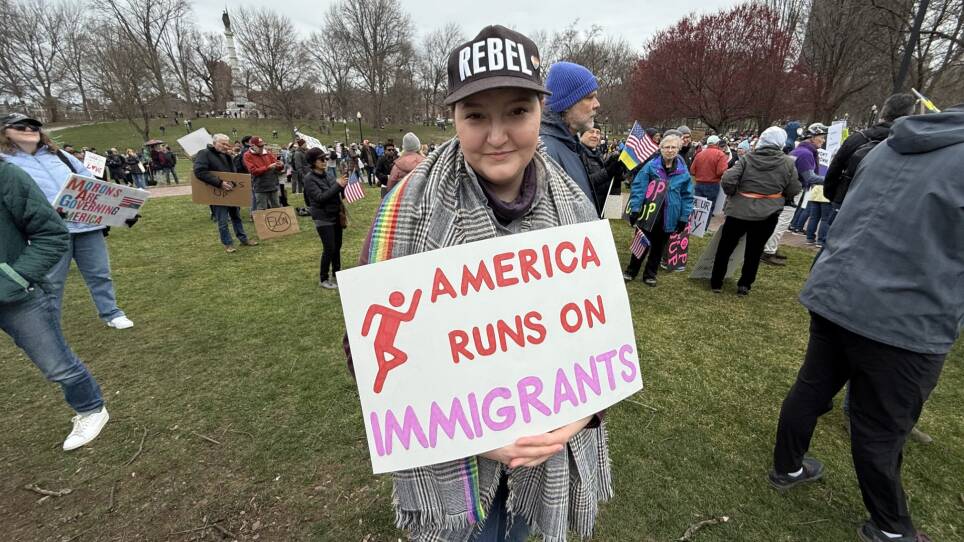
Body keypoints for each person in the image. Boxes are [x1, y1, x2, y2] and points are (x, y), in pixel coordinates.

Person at [346, 25, 611, 542]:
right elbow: (368, 355)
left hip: (545, 454)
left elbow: (598, 333)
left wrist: (578, 418)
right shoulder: (406, 210)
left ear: (542, 111)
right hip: (457, 461)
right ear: (453, 119)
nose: (496, 136)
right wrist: (478, 437)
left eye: (516, 111)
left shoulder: (574, 206)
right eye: (475, 116)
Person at [769, 104, 964, 542]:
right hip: (905, 315)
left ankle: (787, 465)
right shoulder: (887, 148)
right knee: (879, 425)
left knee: (813, 386)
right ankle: (891, 527)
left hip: (840, 292)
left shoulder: (884, 147)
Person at [0, 157, 110, 450]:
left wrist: (13, 277)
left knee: (56, 363)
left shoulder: (6, 174)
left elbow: (51, 233)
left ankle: (90, 408)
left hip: (14, 293)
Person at [0, 113, 135, 329]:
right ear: (5, 131)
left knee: (99, 273)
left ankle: (111, 312)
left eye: (33, 126)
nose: (28, 129)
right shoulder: (5, 162)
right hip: (46, 233)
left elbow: (89, 182)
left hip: (86, 225)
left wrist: (121, 208)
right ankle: (48, 323)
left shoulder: (60, 155)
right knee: (51, 282)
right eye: (20, 126)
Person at [709, 127, 800, 295]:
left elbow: (728, 179)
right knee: (754, 250)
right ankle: (744, 284)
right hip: (767, 213)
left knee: (726, 247)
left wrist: (733, 194)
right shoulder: (787, 163)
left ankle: (716, 282)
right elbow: (794, 188)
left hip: (740, 211)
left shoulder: (748, 158)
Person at [623, 133, 694, 286]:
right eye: (666, 147)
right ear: (661, 149)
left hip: (669, 216)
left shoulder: (683, 172)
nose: (670, 150)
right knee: (641, 243)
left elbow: (687, 196)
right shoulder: (651, 166)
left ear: (678, 149)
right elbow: (639, 187)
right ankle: (631, 270)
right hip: (649, 213)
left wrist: (683, 217)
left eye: (673, 147)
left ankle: (650, 274)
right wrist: (635, 208)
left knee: (658, 247)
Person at [824, 93, 916, 208]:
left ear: (883, 112)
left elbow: (834, 170)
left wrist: (835, 197)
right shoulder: (911, 146)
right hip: (883, 207)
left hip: (846, 200)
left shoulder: (858, 138)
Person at [539, 61, 603, 212]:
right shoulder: (545, 151)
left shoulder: (571, 144)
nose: (597, 104)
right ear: (566, 104)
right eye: (589, 97)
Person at [194, 134, 258, 253]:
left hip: (230, 191)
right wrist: (219, 183)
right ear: (214, 143)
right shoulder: (204, 153)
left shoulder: (226, 155)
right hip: (218, 192)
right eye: (222, 143)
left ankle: (243, 239)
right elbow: (199, 171)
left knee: (236, 217)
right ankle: (228, 243)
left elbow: (233, 171)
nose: (225, 146)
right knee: (223, 221)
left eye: (226, 144)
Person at [303, 147, 347, 289]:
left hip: (335, 213)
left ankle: (337, 272)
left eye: (326, 158)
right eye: (321, 159)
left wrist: (343, 186)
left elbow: (335, 192)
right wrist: (337, 186)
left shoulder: (328, 175)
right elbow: (320, 198)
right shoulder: (309, 179)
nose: (325, 161)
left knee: (337, 245)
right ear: (313, 162)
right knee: (329, 247)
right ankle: (323, 278)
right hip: (322, 216)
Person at [787, 123, 828, 234]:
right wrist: (830, 179)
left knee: (783, 220)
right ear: (812, 137)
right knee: (783, 221)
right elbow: (810, 178)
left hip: (789, 188)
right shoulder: (806, 154)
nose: (823, 140)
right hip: (794, 190)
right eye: (821, 137)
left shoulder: (799, 151)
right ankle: (769, 250)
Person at [580, 126, 623, 206]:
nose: (595, 135)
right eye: (591, 131)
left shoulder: (598, 155)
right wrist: (608, 172)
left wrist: (616, 180)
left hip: (600, 209)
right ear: (581, 134)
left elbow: (612, 205)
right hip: (586, 208)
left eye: (598, 133)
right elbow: (582, 183)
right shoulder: (576, 153)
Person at [242, 136, 284, 210]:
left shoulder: (267, 153)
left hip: (272, 185)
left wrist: (280, 165)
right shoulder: (247, 155)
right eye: (260, 146)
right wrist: (268, 167)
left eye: (263, 145)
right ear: (253, 146)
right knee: (262, 209)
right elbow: (253, 171)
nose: (262, 147)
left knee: (277, 207)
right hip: (260, 187)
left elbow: (276, 165)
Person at [690, 134, 729, 209]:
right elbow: (720, 171)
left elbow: (692, 170)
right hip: (712, 185)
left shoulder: (699, 154)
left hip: (699, 184)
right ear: (717, 143)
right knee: (707, 209)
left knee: (697, 209)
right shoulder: (720, 154)